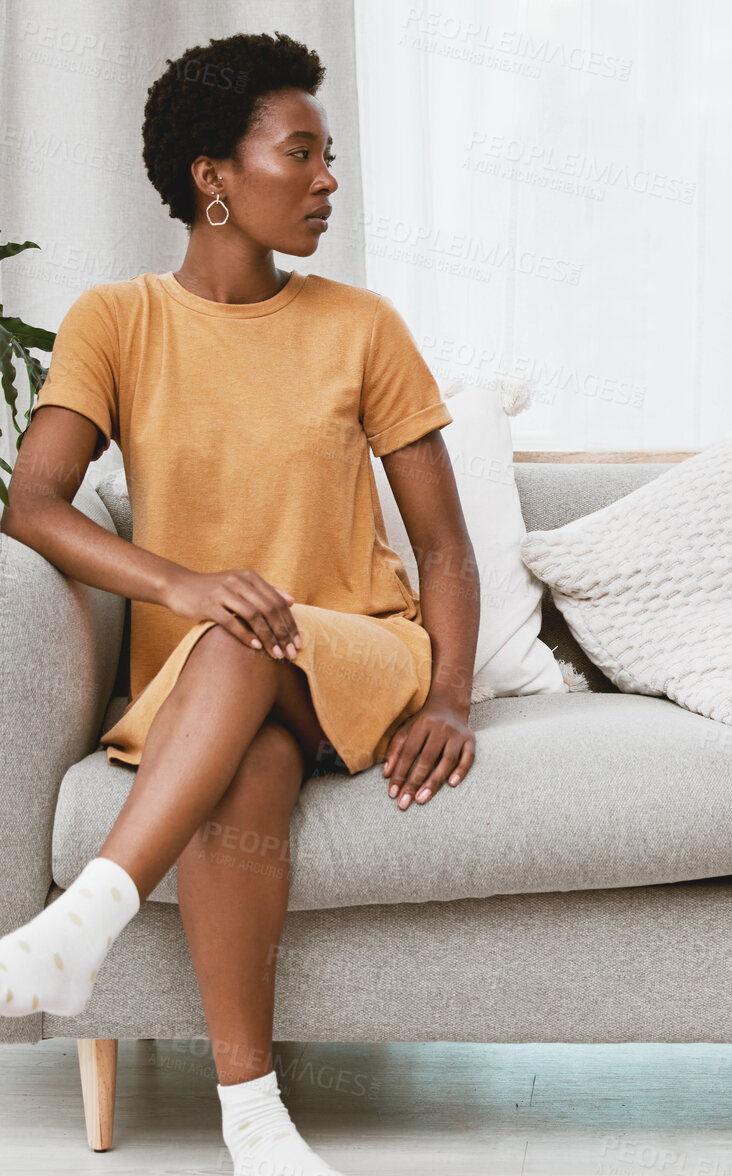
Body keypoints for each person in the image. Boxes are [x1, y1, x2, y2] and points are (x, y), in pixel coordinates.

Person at [0, 32, 481, 1176]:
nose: (326, 180)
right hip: (213, 685)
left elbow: (446, 547)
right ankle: (254, 1122)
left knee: (246, 638)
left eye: (330, 156)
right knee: (247, 763)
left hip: (359, 654)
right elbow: (34, 503)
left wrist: (454, 696)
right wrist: (180, 581)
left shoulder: (361, 325)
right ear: (214, 177)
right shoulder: (118, 321)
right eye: (300, 152)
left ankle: (88, 919)